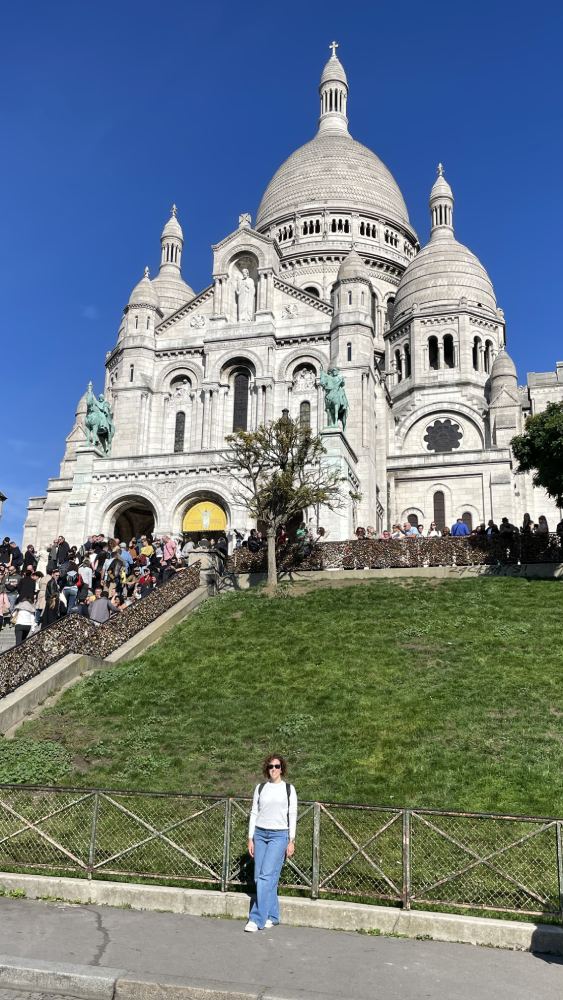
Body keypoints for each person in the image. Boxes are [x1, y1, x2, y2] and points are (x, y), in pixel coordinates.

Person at [245, 754, 297, 933]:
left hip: (279, 836)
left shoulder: (289, 789)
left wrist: (291, 840)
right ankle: (273, 916)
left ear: (282, 768)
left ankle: (256, 918)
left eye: (276, 766)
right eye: (270, 767)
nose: (273, 769)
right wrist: (250, 837)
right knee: (262, 877)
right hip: (260, 834)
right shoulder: (260, 788)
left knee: (266, 876)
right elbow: (254, 813)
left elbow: (292, 815)